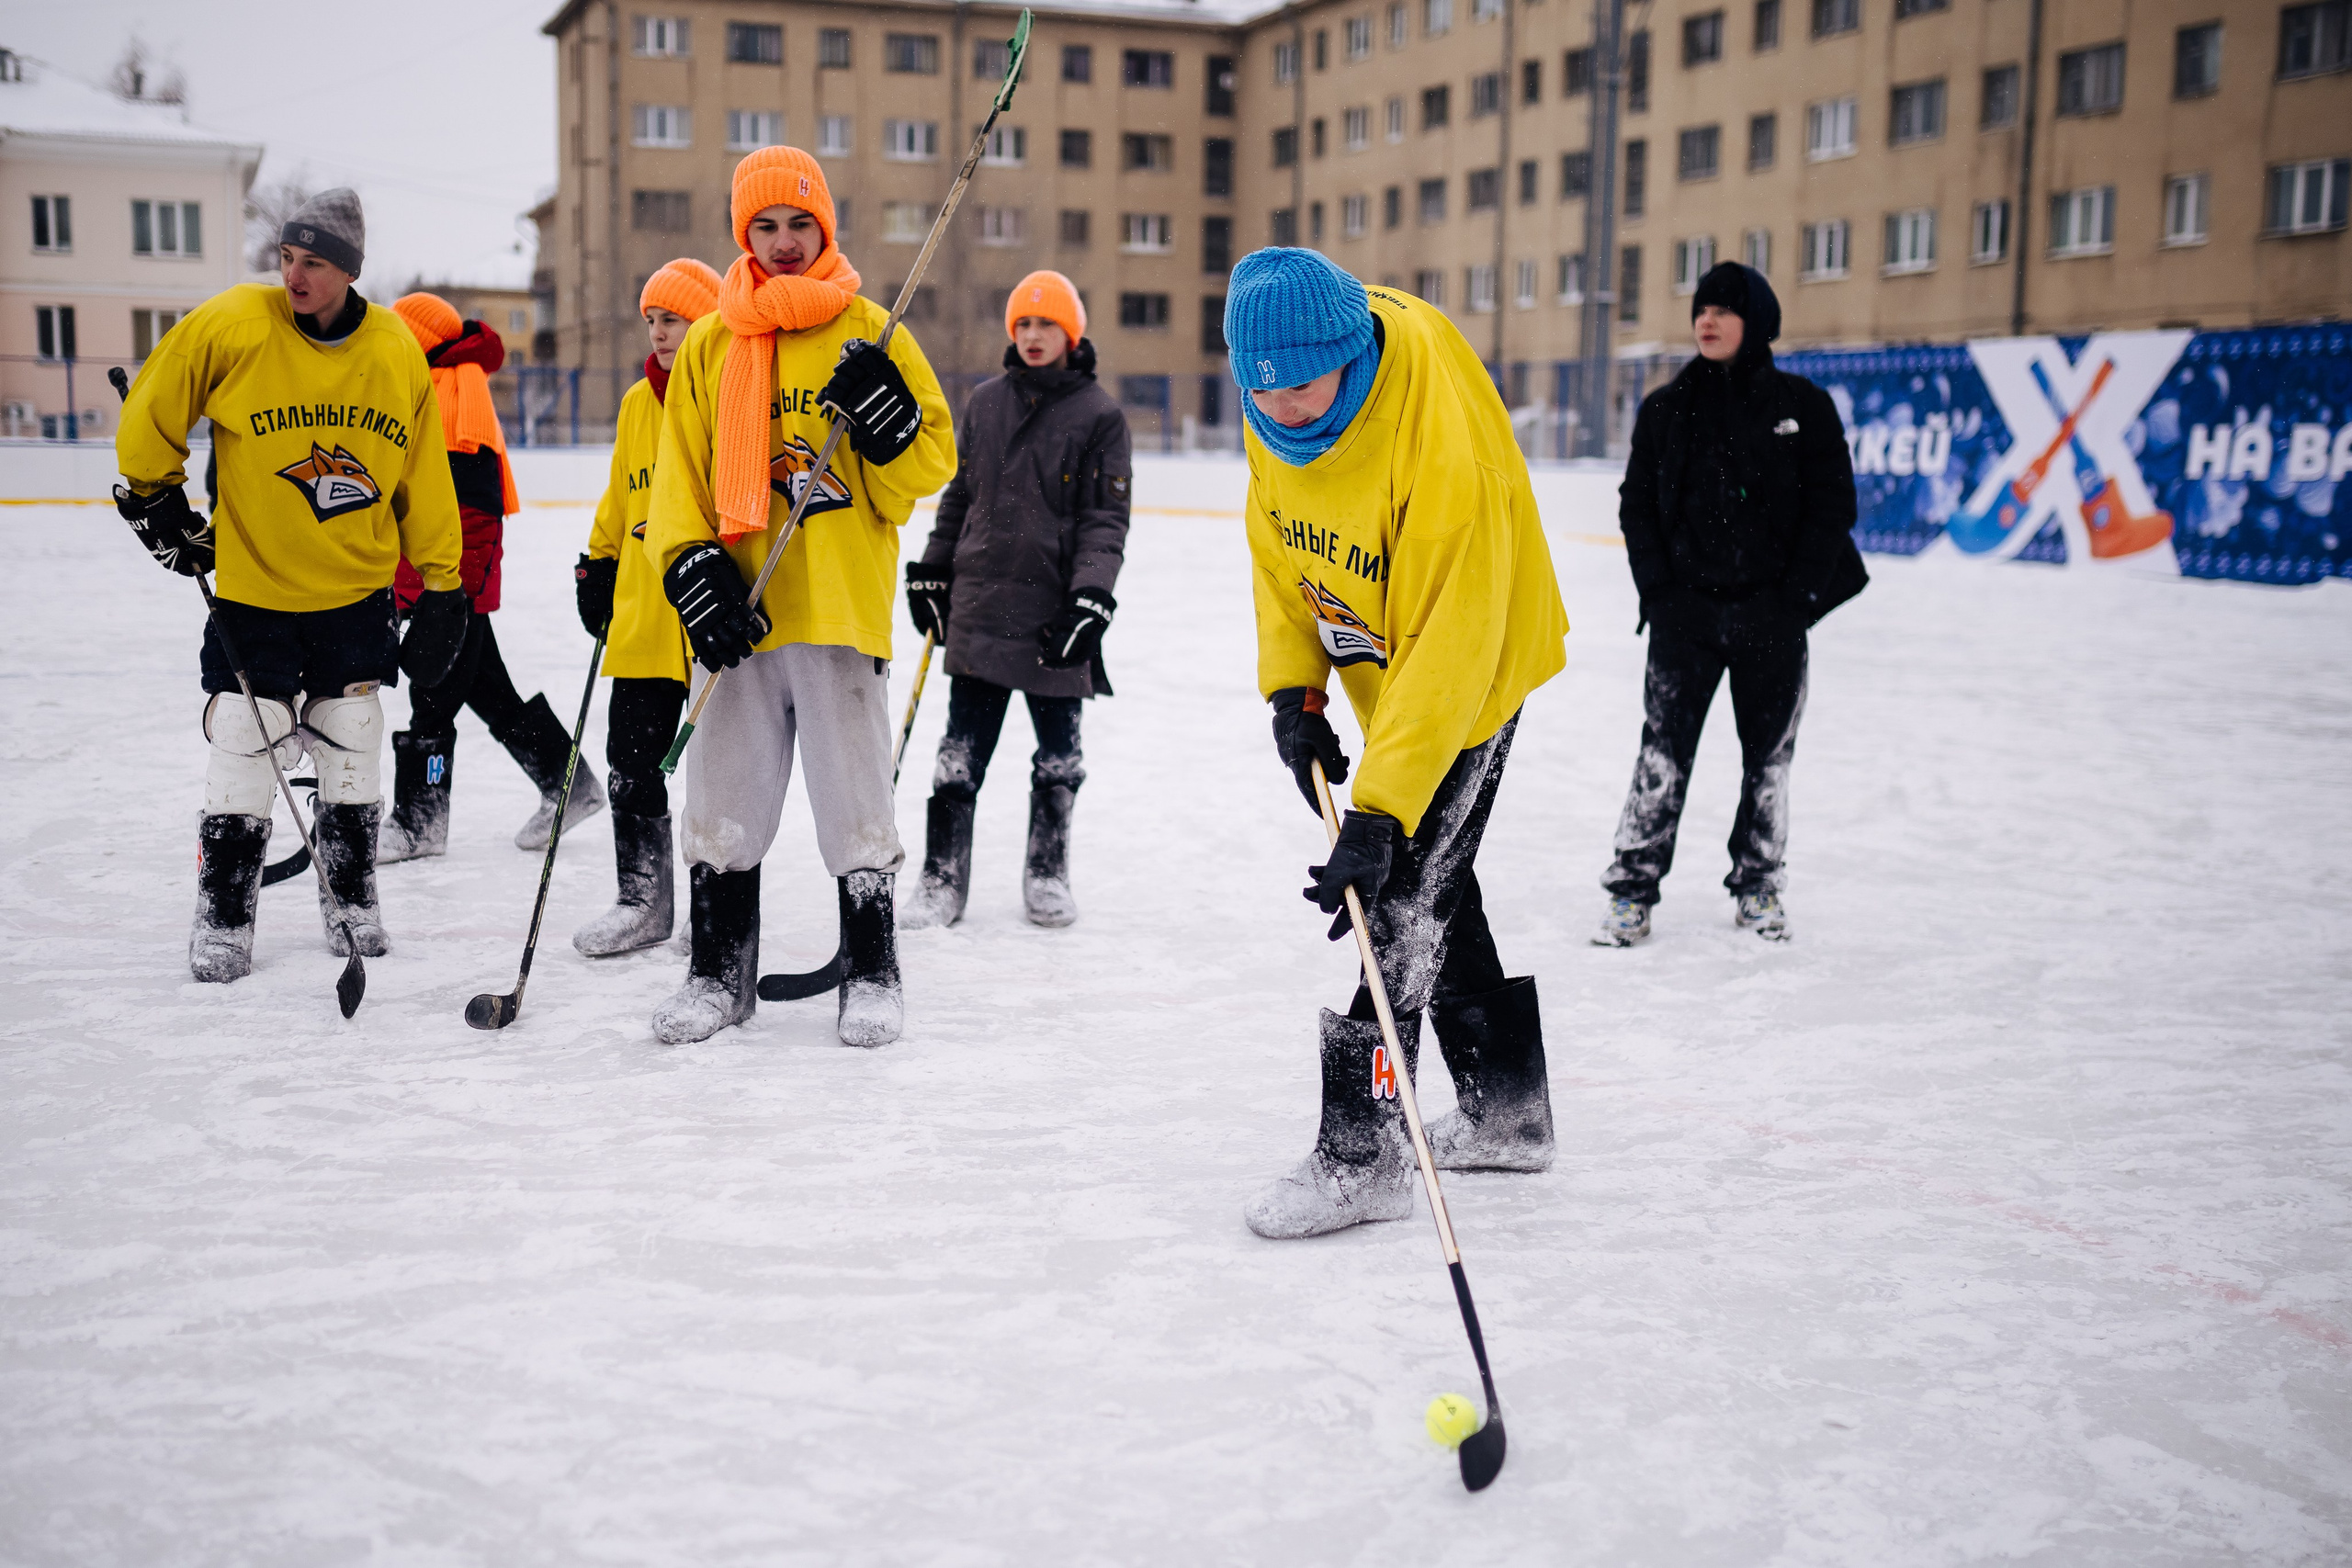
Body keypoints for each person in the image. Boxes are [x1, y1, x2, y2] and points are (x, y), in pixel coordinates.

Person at [1226, 249, 1570, 1241]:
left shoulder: (1433, 435)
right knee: (1438, 876)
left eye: (1298, 387)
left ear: (1344, 354)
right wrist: (1295, 693)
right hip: (1384, 655)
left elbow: (1453, 636)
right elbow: (1277, 554)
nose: (1281, 408)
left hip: (1473, 661)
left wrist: (1377, 811)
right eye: (1260, 391)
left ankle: (1362, 1157)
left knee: (1406, 890)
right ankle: (1507, 1113)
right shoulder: (1273, 408)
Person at [642, 147, 956, 1047]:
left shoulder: (872, 330)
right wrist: (691, 570)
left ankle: (872, 973)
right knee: (722, 798)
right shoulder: (711, 341)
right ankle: (717, 975)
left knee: (853, 800)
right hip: (738, 618)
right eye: (764, 227)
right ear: (744, 234)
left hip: (836, 610)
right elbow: (679, 481)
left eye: (800, 224)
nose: (784, 242)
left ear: (826, 227)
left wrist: (892, 423)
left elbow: (931, 460)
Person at [112, 188, 467, 981]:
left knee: (352, 748)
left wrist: (445, 586)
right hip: (252, 592)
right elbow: (154, 405)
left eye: (314, 261)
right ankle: (224, 912)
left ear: (348, 269)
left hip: (353, 597)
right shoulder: (237, 323)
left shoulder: (395, 350)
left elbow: (423, 475)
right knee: (246, 743)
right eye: (287, 257)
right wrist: (154, 490)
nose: (295, 274)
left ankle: (351, 898)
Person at [1595, 261, 1864, 947]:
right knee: (1661, 753)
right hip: (1686, 619)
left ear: (1758, 321)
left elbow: (1833, 508)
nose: (1707, 320)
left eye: (1724, 309)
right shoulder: (1666, 407)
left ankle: (1759, 884)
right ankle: (1631, 889)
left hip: (1772, 620)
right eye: (1701, 309)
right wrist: (1659, 593)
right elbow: (1637, 506)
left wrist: (1797, 599)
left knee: (1769, 760)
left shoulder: (1802, 408)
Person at [900, 270, 1130, 930]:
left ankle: (1047, 872)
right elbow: (960, 498)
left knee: (1059, 758)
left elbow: (1105, 520)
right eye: (1023, 324)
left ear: (1071, 333)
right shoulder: (985, 402)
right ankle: (942, 879)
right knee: (957, 757)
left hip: (1055, 616)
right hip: (979, 605)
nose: (1032, 335)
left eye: (1046, 324)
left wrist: (1091, 598)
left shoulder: (1100, 416)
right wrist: (932, 570)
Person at [378, 291, 605, 863]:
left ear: (423, 339)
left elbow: (474, 511)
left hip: (451, 584)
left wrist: (450, 592)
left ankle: (417, 822)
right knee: (489, 691)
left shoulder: (454, 393)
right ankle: (569, 783)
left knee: (431, 700)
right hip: (447, 580)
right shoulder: (439, 382)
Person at [571, 258, 722, 955]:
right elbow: (621, 498)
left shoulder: (730, 391)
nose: (661, 333)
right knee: (631, 765)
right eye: (654, 321)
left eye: (676, 319)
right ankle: (642, 899)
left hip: (708, 626)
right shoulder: (637, 404)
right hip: (641, 621)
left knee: (717, 777)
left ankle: (716, 905)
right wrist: (597, 562)